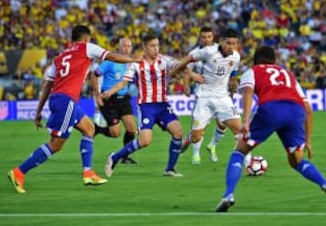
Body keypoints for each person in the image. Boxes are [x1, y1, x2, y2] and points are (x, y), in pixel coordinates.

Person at [7, 25, 141, 193]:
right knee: (56, 145)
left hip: (60, 100)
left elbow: (48, 85)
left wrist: (39, 111)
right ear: (86, 38)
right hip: (66, 101)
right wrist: (134, 60)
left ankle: (88, 172)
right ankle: (19, 172)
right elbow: (112, 56)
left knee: (90, 129)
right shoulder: (87, 47)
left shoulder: (61, 56)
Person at [215, 46, 326, 212]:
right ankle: (325, 185)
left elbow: (247, 92)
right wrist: (308, 141)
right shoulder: (287, 74)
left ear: (256, 59)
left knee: (239, 152)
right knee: (296, 161)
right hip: (295, 111)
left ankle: (228, 195)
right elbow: (308, 109)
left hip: (271, 109)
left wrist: (246, 121)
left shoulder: (252, 71)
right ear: (274, 60)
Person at [103, 32, 185, 177]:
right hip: (147, 106)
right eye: (152, 46)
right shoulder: (136, 63)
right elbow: (123, 82)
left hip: (162, 105)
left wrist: (184, 77)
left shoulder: (164, 60)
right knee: (145, 141)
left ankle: (170, 169)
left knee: (178, 132)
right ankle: (114, 157)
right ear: (144, 47)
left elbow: (180, 65)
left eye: (157, 45)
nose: (156, 49)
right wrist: (110, 92)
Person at [172, 29, 252, 167]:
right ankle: (189, 141)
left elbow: (232, 76)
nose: (231, 46)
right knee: (197, 136)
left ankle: (249, 164)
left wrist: (232, 89)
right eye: (228, 43)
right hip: (205, 98)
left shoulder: (236, 57)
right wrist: (175, 72)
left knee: (240, 131)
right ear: (221, 41)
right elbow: (188, 59)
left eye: (234, 43)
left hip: (223, 98)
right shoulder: (208, 51)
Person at [183, 26, 231, 164]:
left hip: (221, 94)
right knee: (200, 129)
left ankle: (212, 146)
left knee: (223, 124)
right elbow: (186, 69)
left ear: (213, 37)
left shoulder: (221, 50)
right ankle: (196, 154)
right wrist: (186, 84)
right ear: (200, 38)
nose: (206, 39)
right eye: (204, 37)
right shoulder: (195, 53)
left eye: (209, 37)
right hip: (203, 95)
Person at [92, 37, 138, 164]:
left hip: (124, 99)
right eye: (124, 46)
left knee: (131, 127)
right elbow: (94, 75)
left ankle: (125, 156)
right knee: (115, 133)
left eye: (129, 46)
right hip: (109, 100)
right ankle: (97, 129)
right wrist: (97, 95)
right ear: (119, 48)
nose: (127, 48)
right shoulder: (110, 61)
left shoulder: (132, 63)